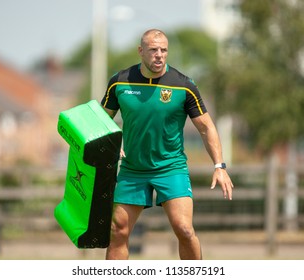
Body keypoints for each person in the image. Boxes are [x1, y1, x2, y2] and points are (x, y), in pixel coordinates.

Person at [100, 29, 234, 260]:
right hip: (132, 170)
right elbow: (101, 120)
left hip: (171, 168)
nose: (159, 55)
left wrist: (219, 166)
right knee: (117, 231)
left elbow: (206, 127)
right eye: (153, 50)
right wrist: (110, 142)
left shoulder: (184, 85)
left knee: (184, 229)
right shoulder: (120, 82)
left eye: (163, 50)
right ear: (141, 51)